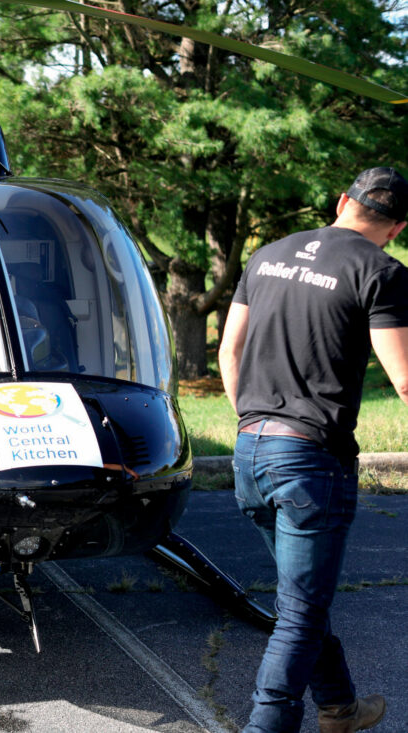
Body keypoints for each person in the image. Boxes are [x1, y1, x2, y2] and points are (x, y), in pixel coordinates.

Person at [219, 167, 408, 733]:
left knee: (302, 600)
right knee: (300, 613)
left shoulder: (267, 255)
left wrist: (255, 427)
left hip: (250, 452)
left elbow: (230, 352)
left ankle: (339, 708)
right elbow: (404, 378)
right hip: (310, 461)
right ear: (397, 227)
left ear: (343, 200)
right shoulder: (382, 271)